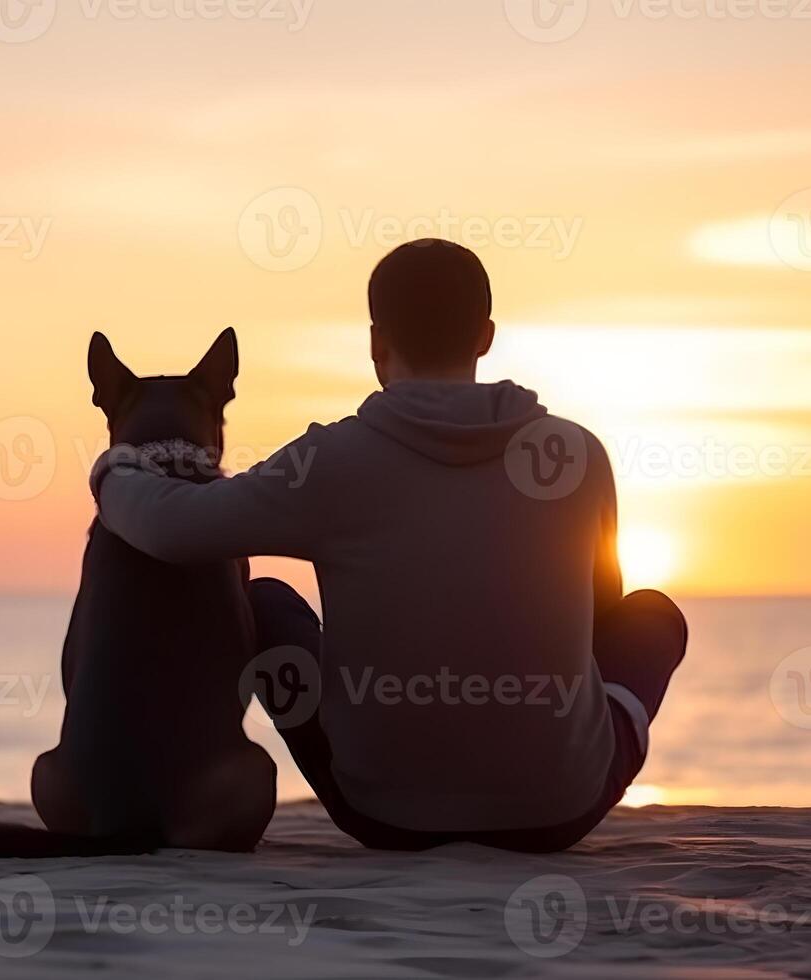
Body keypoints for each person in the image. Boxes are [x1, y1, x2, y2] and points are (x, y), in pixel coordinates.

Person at [91, 239, 687, 852]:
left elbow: (172, 530)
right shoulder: (576, 454)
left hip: (381, 815)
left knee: (266, 602)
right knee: (650, 616)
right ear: (484, 336)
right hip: (559, 813)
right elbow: (600, 618)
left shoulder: (330, 460)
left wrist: (117, 470)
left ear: (377, 343)